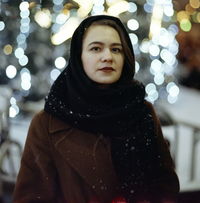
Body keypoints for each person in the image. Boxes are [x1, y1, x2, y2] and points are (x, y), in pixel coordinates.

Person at [13, 15, 179, 203]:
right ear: (79, 57)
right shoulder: (48, 122)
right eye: (96, 48)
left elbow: (165, 187)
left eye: (116, 49)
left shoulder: (141, 110)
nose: (107, 57)